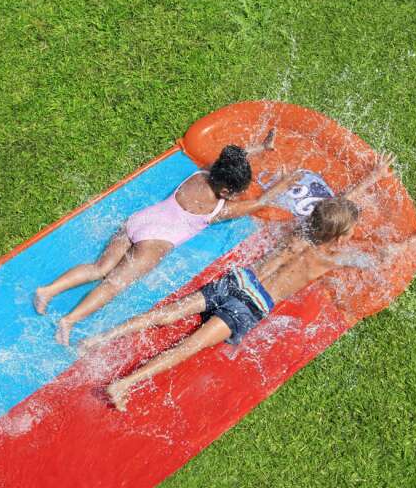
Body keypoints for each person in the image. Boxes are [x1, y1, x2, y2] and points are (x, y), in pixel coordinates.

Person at [80, 197, 416, 411]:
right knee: (188, 347)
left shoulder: (301, 230)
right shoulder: (333, 257)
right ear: (340, 236)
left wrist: (365, 184)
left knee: (166, 314)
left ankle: (97, 339)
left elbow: (330, 213)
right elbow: (383, 254)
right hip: (253, 304)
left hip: (240, 279)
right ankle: (124, 384)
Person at [34, 128, 299, 346]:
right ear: (227, 192)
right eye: (238, 192)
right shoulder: (219, 209)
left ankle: (48, 290)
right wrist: (284, 184)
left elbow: (232, 159)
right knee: (112, 285)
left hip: (138, 222)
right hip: (152, 244)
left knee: (99, 268)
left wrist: (260, 148)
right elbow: (260, 202)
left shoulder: (203, 173)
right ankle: (68, 321)